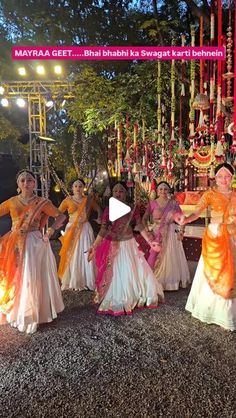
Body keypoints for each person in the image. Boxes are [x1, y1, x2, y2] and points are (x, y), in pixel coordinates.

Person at [0, 170, 66, 334]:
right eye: (22, 180)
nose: (25, 183)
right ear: (18, 184)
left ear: (34, 183)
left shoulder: (42, 202)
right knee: (16, 276)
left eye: (29, 180)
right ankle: (18, 310)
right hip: (14, 243)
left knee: (31, 276)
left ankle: (32, 313)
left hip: (34, 242)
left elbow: (61, 217)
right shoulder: (12, 202)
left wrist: (50, 231)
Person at [88, 182, 164, 316]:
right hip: (114, 244)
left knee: (133, 269)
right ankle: (117, 297)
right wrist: (94, 246)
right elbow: (103, 229)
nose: (118, 194)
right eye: (115, 191)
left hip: (129, 244)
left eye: (121, 191)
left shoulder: (132, 208)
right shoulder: (108, 209)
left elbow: (139, 226)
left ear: (126, 193)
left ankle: (135, 295)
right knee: (115, 271)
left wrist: (151, 241)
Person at [179, 163, 236, 330]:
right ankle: (212, 311)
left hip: (233, 236)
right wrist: (187, 219)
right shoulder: (210, 194)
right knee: (215, 272)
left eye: (227, 176)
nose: (224, 179)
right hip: (216, 236)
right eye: (220, 176)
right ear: (215, 178)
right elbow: (197, 212)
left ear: (232, 178)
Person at [142, 181, 190, 290]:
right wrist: (147, 231)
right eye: (160, 189)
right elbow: (144, 219)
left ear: (168, 191)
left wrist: (182, 231)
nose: (163, 191)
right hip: (157, 232)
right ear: (157, 191)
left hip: (171, 232)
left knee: (171, 256)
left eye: (165, 189)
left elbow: (182, 218)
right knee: (154, 255)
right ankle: (153, 280)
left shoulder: (173, 203)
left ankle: (170, 282)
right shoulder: (152, 203)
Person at [58, 179, 101, 291]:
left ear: (84, 188)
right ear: (72, 188)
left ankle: (87, 280)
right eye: (75, 186)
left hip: (85, 228)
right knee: (72, 252)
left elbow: (98, 209)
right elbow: (57, 213)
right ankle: (73, 279)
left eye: (80, 186)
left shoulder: (88, 200)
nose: (78, 188)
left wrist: (100, 218)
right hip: (71, 229)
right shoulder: (67, 200)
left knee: (85, 251)